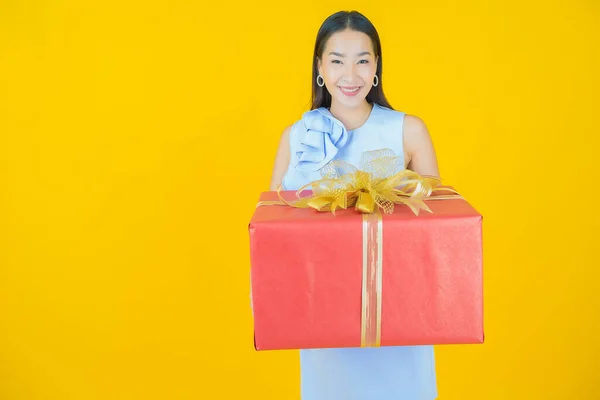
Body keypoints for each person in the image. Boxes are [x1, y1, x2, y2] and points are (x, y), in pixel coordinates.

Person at [269, 10, 440, 400]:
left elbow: (435, 225)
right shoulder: (296, 137)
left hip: (399, 314)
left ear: (376, 66)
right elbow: (273, 227)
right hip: (323, 314)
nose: (351, 75)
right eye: (337, 60)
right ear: (320, 67)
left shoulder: (408, 130)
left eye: (362, 60)